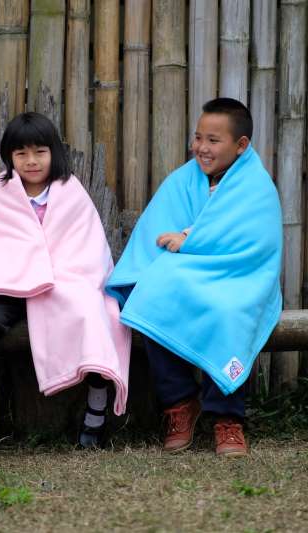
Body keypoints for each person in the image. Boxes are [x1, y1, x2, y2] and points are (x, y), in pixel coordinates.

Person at [105, 98, 282, 457]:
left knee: (230, 312)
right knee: (150, 296)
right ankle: (180, 403)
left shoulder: (256, 185)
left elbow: (255, 243)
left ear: (241, 145)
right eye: (198, 137)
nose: (201, 147)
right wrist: (182, 247)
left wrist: (190, 241)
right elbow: (156, 231)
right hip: (186, 277)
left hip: (238, 278)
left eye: (213, 140)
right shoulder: (183, 180)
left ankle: (227, 418)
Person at [0, 111, 131, 450]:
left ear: (54, 152)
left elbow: (88, 245)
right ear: (9, 156)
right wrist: (14, 272)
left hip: (64, 282)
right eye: (21, 153)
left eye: (39, 152)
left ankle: (96, 409)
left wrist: (58, 276)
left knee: (94, 315)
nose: (31, 161)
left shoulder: (71, 191)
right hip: (10, 285)